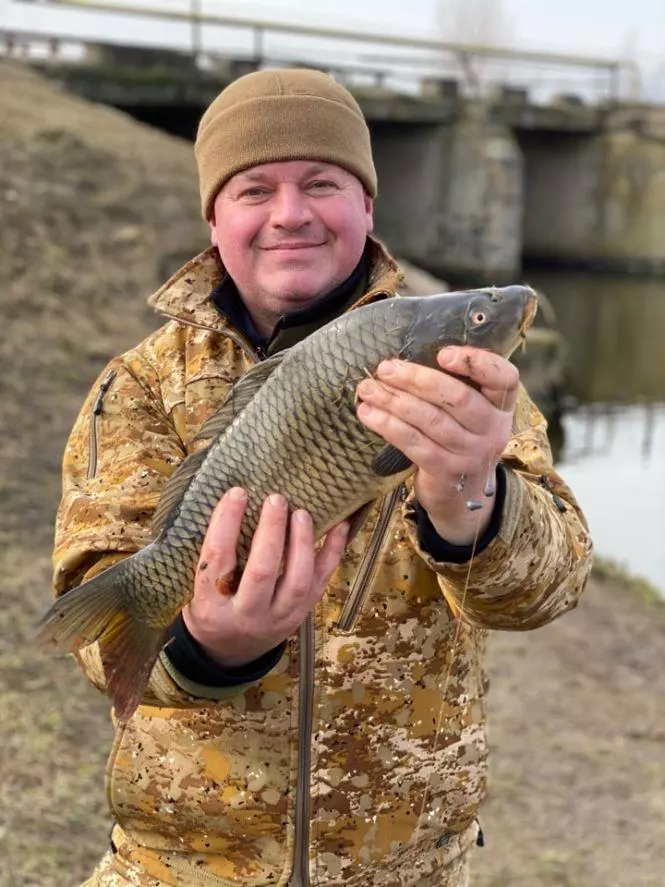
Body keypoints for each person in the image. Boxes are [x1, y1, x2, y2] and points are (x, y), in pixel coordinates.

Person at [52, 68, 593, 887]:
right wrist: (211, 647)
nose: (290, 213)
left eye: (322, 183)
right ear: (214, 218)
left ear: (367, 205)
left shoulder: (461, 371)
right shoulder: (137, 386)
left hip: (406, 867)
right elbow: (105, 648)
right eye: (253, 189)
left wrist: (472, 500)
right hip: (180, 867)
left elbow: (543, 591)